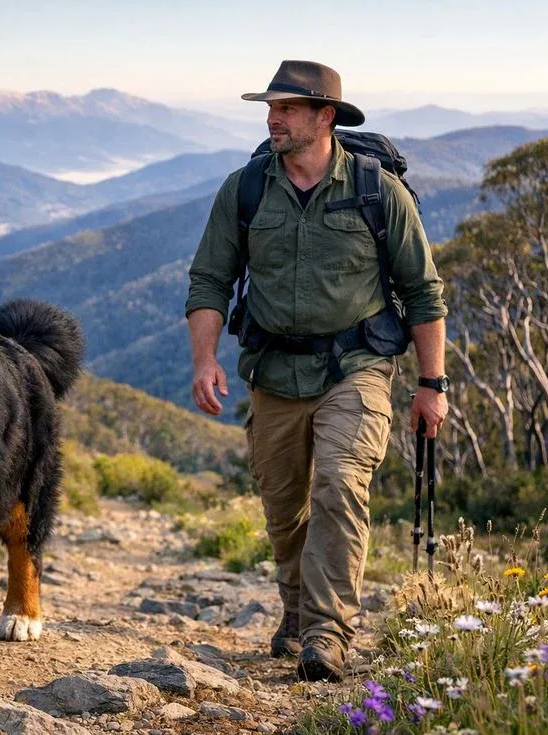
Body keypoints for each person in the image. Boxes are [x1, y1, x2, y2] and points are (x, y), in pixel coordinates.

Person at [184, 60, 449, 682]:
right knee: (283, 506)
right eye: (270, 109)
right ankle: (299, 614)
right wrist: (204, 360)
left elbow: (423, 291)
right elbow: (210, 279)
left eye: (286, 109)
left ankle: (328, 633)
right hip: (272, 371)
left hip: (356, 368)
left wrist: (432, 386)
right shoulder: (245, 189)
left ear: (324, 117)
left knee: (338, 484)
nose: (272, 119)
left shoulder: (378, 191)